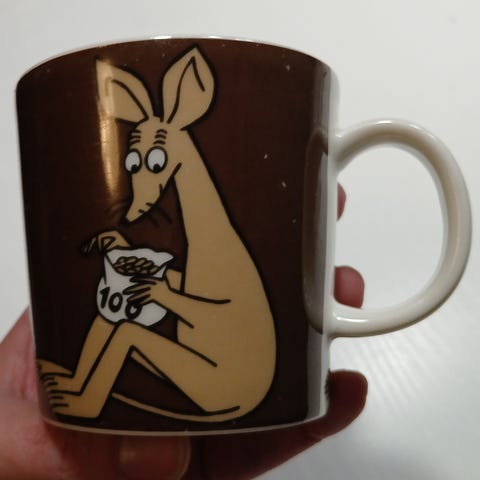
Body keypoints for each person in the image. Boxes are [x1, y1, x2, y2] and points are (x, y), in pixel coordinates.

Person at [0, 187, 367, 479]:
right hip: (199, 362)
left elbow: (216, 315)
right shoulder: (208, 257)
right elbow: (178, 282)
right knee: (111, 315)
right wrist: (125, 255)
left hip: (227, 381)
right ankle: (81, 384)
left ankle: (89, 403)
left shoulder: (229, 265)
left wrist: (163, 296)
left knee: (128, 333)